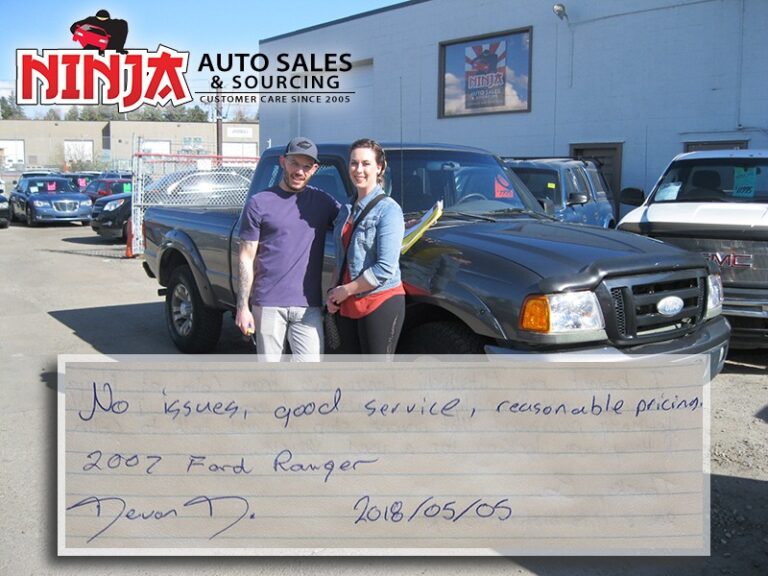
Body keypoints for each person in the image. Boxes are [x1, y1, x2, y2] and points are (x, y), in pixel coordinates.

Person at [236, 137, 340, 361]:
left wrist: (400, 223)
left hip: (308, 305)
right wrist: (243, 306)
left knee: (310, 372)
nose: (299, 171)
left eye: (306, 166)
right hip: (268, 303)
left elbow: (355, 224)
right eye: (294, 163)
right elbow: (246, 257)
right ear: (283, 161)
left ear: (314, 169)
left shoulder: (323, 202)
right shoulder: (259, 203)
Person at [326, 138, 405, 356]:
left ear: (379, 167)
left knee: (375, 374)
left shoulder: (389, 211)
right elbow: (340, 259)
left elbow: (385, 268)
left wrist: (345, 291)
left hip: (380, 301)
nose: (358, 169)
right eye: (353, 163)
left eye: (366, 163)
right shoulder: (346, 209)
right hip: (347, 301)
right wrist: (333, 292)